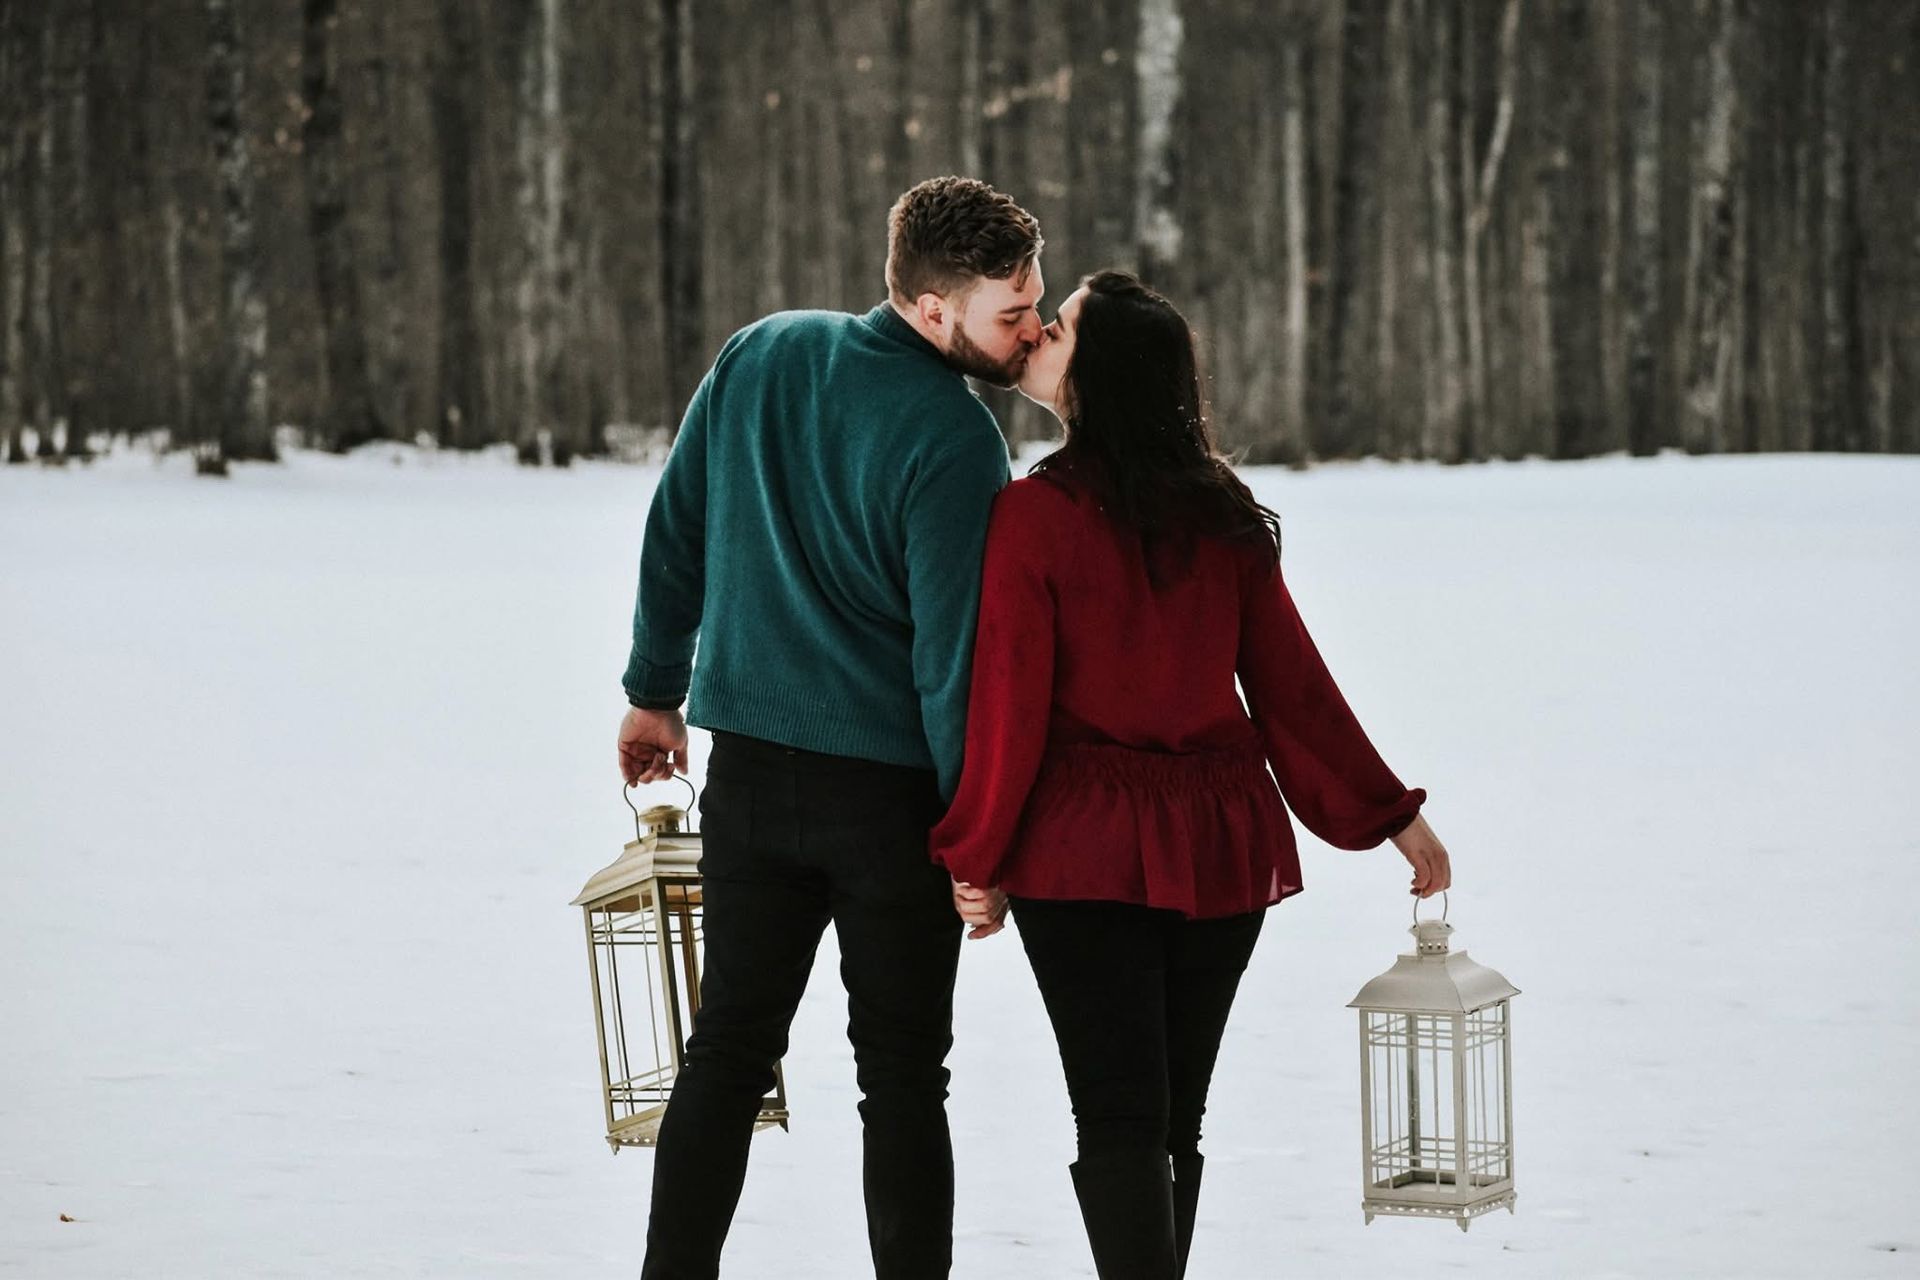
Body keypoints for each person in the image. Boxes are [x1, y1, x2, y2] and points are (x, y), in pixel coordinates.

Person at [930, 271, 1453, 1279]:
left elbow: (1008, 702)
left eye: (1063, 323)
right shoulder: (1225, 515)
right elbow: (1295, 690)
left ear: (1102, 372)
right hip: (1217, 848)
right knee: (1170, 1113)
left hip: (1081, 852)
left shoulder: (1034, 518)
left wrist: (977, 853)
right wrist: (1390, 815)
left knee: (1122, 1113)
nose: (1040, 329)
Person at [614, 176, 1043, 1279]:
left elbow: (676, 528)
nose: (1031, 328)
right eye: (1011, 311)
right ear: (936, 309)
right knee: (902, 1072)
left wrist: (655, 689)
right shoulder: (954, 440)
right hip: (890, 803)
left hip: (750, 779)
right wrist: (974, 838)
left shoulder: (762, 353)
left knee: (725, 1052)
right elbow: (950, 663)